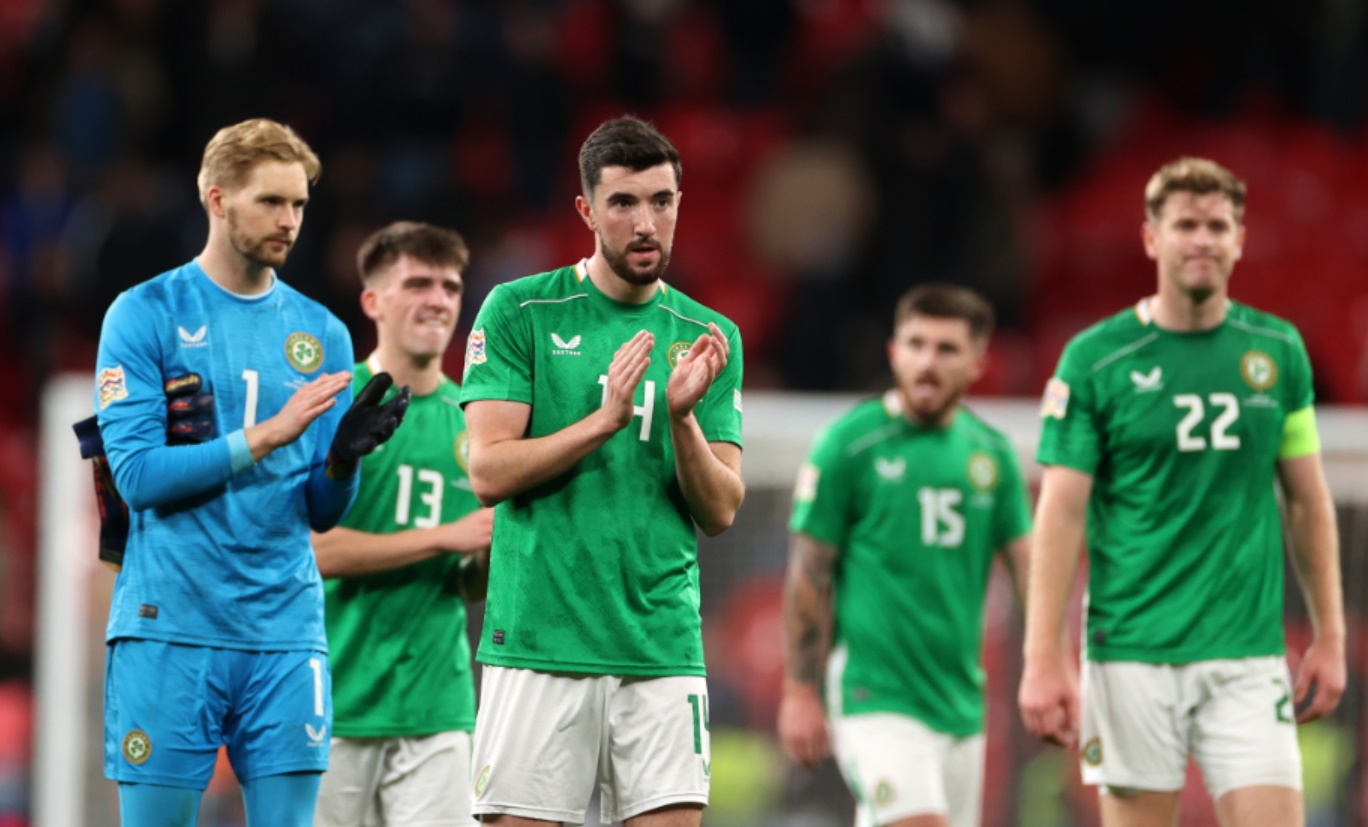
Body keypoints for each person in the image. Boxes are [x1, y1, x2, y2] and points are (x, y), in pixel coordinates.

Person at [93, 118, 408, 827]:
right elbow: (139, 476)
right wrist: (270, 434)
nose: (289, 220)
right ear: (216, 198)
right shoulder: (144, 315)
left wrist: (341, 461)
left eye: (298, 204)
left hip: (284, 631)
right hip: (170, 624)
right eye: (270, 201)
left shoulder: (322, 332)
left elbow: (322, 512)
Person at [1018, 157, 1345, 827]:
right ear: (1151, 238)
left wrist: (1330, 634)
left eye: (1218, 225)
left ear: (1240, 239)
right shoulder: (1095, 359)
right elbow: (1060, 510)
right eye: (1186, 224)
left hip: (1248, 654)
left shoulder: (1278, 352)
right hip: (1131, 649)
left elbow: (1309, 500)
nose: (1202, 239)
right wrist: (1042, 654)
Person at [459, 115, 745, 827]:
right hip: (539, 640)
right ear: (587, 210)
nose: (645, 222)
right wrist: (600, 422)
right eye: (623, 203)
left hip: (661, 646)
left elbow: (721, 510)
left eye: (662, 201)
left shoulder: (710, 336)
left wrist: (682, 420)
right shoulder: (520, 308)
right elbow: (488, 473)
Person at [778, 284, 1033, 827]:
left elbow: (1031, 573)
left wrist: (1050, 666)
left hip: (961, 705)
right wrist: (800, 689)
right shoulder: (849, 446)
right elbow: (808, 573)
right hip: (876, 699)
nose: (927, 362)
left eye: (946, 349)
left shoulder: (992, 456)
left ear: (977, 361)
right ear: (894, 351)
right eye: (916, 344)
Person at [312, 221, 494, 827]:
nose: (438, 299)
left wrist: (495, 549)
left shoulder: (477, 422)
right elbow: (312, 552)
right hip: (332, 700)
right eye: (417, 283)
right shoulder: (334, 404)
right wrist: (445, 537)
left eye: (449, 286)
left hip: (436, 706)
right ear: (373, 301)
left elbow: (470, 585)